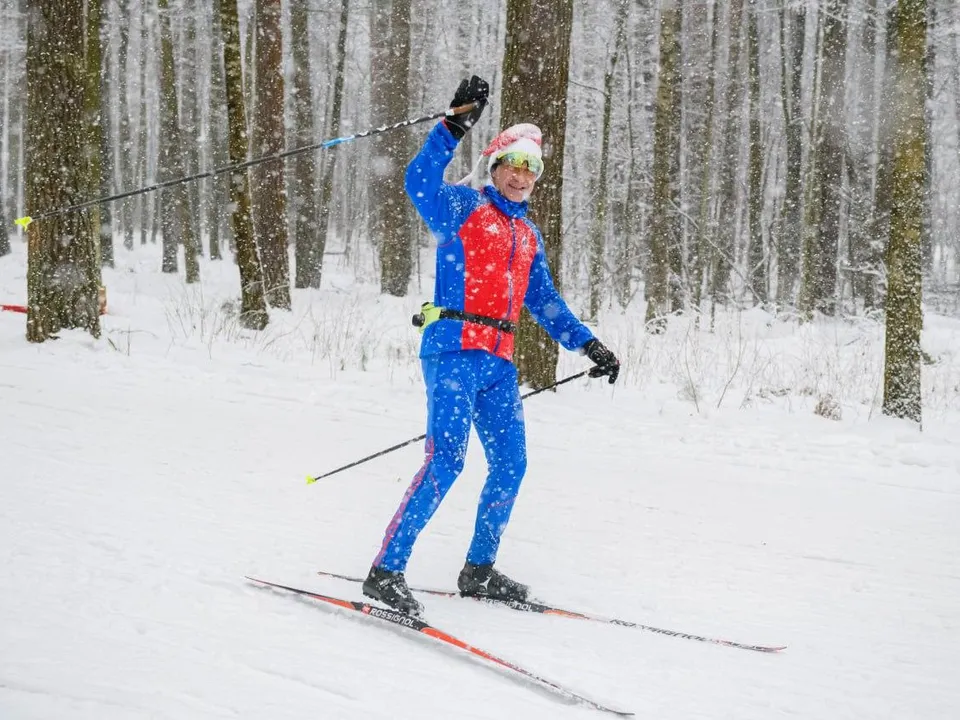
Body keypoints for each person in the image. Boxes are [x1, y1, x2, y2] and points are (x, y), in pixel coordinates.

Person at [362, 75, 620, 616]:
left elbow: (544, 301)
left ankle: (478, 570)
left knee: (510, 465)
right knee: (447, 462)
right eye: (513, 166)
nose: (521, 177)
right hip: (453, 351)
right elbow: (418, 181)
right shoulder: (460, 207)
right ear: (495, 166)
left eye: (531, 170)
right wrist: (453, 127)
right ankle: (385, 571)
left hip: (499, 363)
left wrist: (589, 345)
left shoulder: (528, 237)